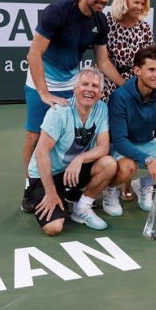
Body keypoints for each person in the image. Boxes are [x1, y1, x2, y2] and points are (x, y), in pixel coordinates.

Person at [21, 0, 125, 212]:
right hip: (42, 80)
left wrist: (126, 86)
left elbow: (103, 62)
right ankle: (30, 184)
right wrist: (45, 94)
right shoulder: (58, 12)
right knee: (35, 137)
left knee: (79, 134)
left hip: (70, 82)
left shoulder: (100, 21)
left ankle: (69, 183)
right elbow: (34, 54)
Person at [27, 67, 121, 236]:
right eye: (85, 84)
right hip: (46, 173)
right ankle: (47, 194)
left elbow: (103, 147)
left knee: (109, 164)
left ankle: (81, 208)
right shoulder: (59, 113)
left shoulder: (101, 109)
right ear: (75, 89)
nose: (89, 90)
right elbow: (41, 153)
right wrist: (50, 192)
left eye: (94, 86)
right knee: (54, 228)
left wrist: (79, 159)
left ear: (100, 92)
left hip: (72, 169)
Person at [102, 45, 156, 213]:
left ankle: (144, 185)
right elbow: (119, 140)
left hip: (146, 142)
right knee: (128, 167)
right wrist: (148, 160)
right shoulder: (119, 97)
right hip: (120, 145)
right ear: (137, 70)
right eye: (151, 69)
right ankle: (110, 189)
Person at [103, 0, 154, 202]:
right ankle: (109, 182)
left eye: (142, 4)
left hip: (136, 85)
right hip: (111, 84)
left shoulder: (144, 27)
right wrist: (124, 87)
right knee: (112, 134)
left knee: (132, 132)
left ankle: (127, 181)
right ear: (124, 1)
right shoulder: (107, 23)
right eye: (136, 2)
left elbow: (149, 58)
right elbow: (103, 60)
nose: (139, 7)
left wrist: (138, 87)